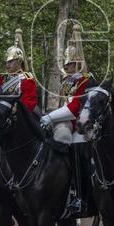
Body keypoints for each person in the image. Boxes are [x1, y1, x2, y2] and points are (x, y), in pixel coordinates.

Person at [40, 37, 93, 214]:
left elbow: (74, 108)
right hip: (67, 120)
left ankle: (78, 195)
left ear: (78, 63)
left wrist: (50, 117)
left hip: (82, 124)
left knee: (75, 143)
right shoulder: (67, 81)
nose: (67, 67)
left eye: (70, 63)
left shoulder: (86, 81)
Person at [0, 32, 38, 112]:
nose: (7, 64)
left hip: (19, 116)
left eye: (10, 61)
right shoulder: (3, 78)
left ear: (19, 61)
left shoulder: (27, 79)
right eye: (6, 62)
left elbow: (29, 104)